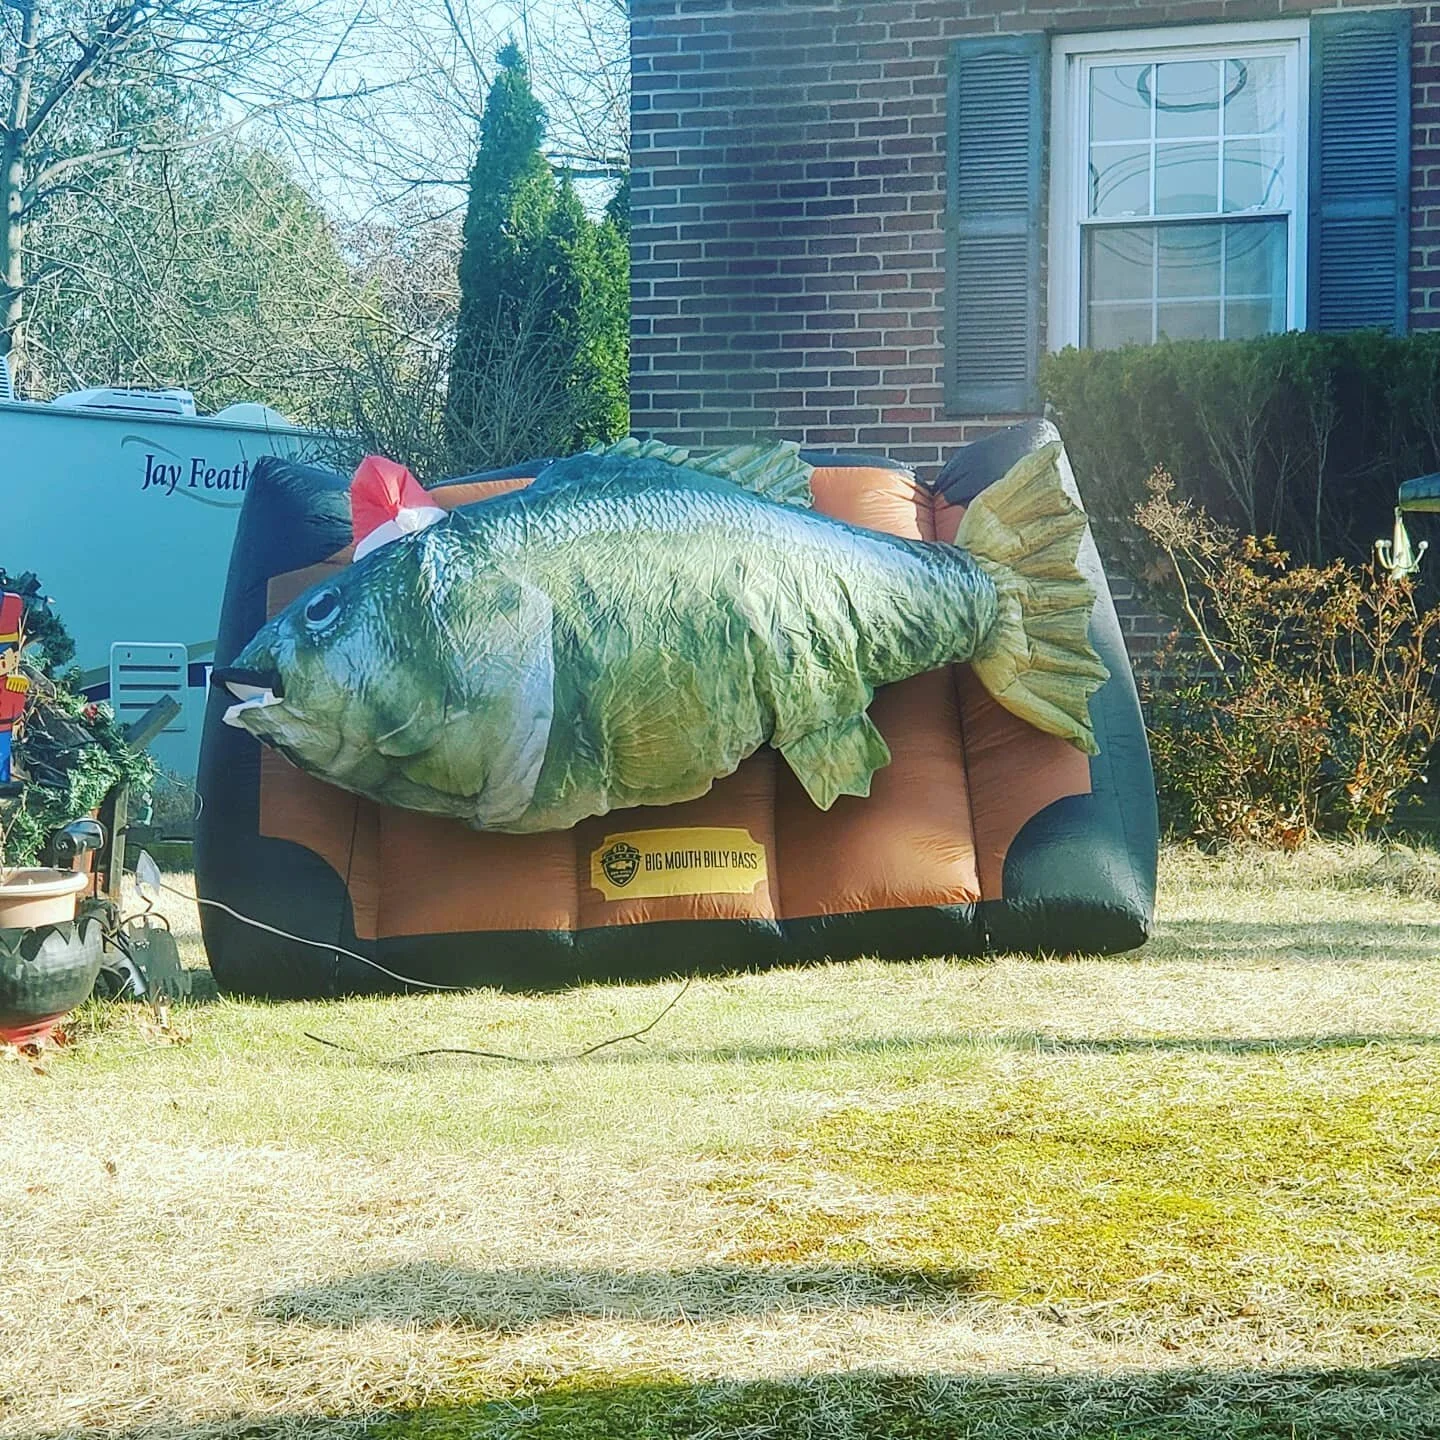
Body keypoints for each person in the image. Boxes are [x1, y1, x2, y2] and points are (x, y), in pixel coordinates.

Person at [0, 592, 29, 788]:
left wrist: (18, 724)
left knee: (2, 756)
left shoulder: (14, 685)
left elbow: (16, 713)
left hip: (3, 730)